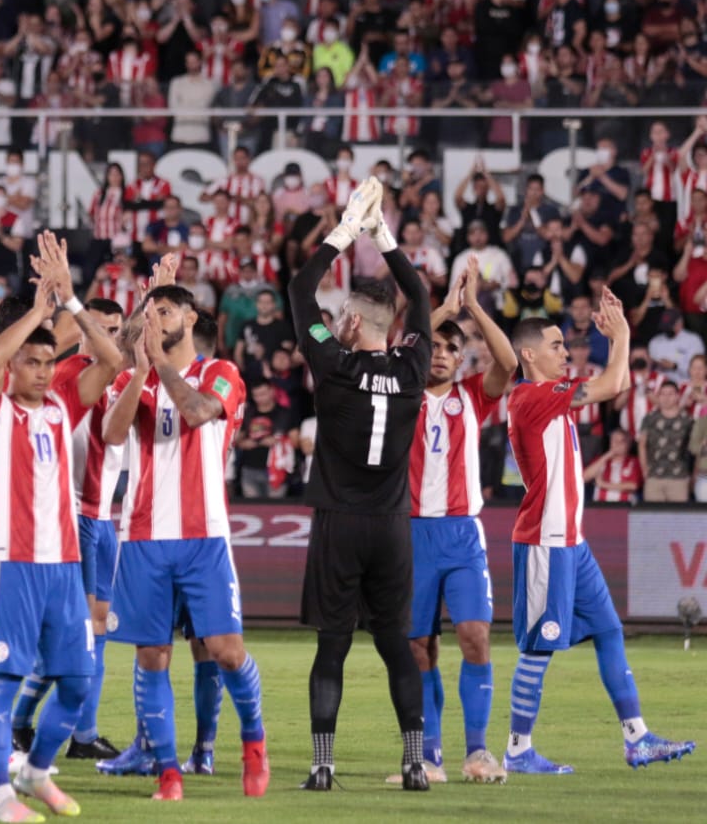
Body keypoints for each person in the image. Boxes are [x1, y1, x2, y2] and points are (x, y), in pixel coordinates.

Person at [504, 297, 695, 775]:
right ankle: (518, 749)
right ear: (529, 355)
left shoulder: (554, 394)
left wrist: (620, 340)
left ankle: (637, 739)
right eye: (555, 345)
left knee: (609, 630)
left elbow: (620, 382)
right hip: (546, 541)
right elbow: (613, 382)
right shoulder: (529, 398)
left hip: (573, 540)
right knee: (540, 646)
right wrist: (622, 335)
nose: (565, 352)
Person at [287, 177, 432, 791]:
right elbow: (420, 297)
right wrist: (385, 237)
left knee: (333, 647)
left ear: (349, 320)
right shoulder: (413, 368)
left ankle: (323, 763)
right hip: (391, 526)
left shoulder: (333, 365)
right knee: (398, 645)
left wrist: (346, 232)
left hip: (339, 523)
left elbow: (300, 289)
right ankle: (415, 763)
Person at [103, 284, 268, 801]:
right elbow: (112, 433)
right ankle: (168, 774)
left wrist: (159, 366)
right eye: (150, 313)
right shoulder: (136, 378)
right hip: (143, 537)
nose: (157, 320)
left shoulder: (221, 373)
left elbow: (196, 412)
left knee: (225, 651)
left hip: (204, 537)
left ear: (191, 318)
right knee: (152, 656)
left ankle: (254, 745)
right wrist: (140, 369)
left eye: (167, 311)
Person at [0, 271, 94, 823]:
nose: (44, 372)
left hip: (63, 565)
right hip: (14, 563)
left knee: (77, 683)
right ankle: (1, 800)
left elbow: (97, 352)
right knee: (2, 682)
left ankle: (37, 772)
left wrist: (66, 298)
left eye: (48, 363)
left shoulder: (59, 406)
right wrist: (38, 314)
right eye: (33, 361)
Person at [399, 256, 517, 786]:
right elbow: (397, 345)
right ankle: (430, 757)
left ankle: (477, 752)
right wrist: (438, 311)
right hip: (412, 535)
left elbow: (509, 363)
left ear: (462, 357)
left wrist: (472, 307)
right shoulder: (399, 395)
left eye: (453, 348)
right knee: (419, 647)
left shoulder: (474, 396)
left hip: (463, 535)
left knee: (474, 635)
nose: (443, 355)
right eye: (436, 346)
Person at [8, 293, 125, 762]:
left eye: (114, 330)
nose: (106, 337)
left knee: (97, 629)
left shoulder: (117, 374)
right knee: (72, 633)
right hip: (74, 514)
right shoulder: (66, 374)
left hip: (103, 516)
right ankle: (20, 721)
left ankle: (80, 733)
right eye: (97, 327)